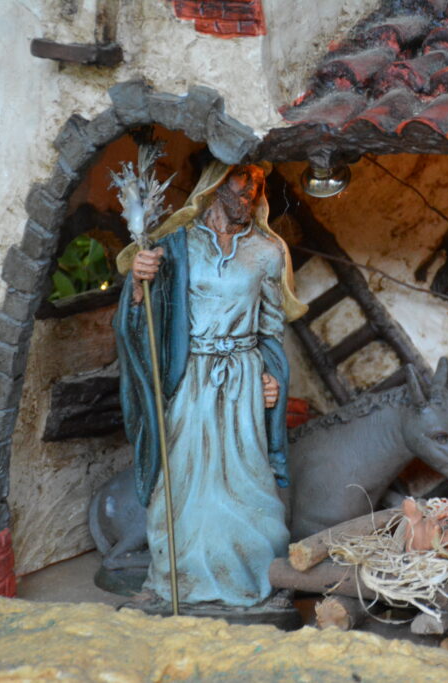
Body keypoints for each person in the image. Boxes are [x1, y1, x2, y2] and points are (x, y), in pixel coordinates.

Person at [114, 161, 307, 608]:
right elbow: (146, 315)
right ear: (213, 189)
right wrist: (139, 283)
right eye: (239, 190)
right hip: (191, 377)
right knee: (181, 478)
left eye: (255, 191)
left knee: (248, 481)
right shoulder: (175, 245)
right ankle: (176, 578)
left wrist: (271, 376)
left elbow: (271, 329)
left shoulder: (268, 251)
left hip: (242, 379)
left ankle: (249, 575)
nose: (248, 198)